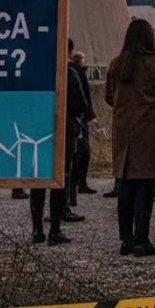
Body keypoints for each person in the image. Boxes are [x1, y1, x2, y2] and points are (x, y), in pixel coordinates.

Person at [106, 19, 155, 257]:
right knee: (145, 187)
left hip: (123, 131)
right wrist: (153, 109)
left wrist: (125, 108)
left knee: (125, 187)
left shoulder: (116, 64)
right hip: (148, 131)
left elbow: (108, 97)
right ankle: (141, 240)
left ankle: (125, 240)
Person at [31, 53, 89, 245]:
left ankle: (37, 229)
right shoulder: (68, 73)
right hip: (62, 130)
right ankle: (55, 228)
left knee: (38, 180)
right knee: (59, 178)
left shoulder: (36, 70)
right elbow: (81, 103)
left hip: (38, 131)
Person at [71, 47, 99, 197]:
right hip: (81, 118)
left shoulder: (74, 73)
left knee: (78, 151)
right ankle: (80, 183)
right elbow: (85, 98)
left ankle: (76, 182)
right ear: (80, 61)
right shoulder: (79, 74)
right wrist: (90, 115)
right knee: (83, 150)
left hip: (78, 117)